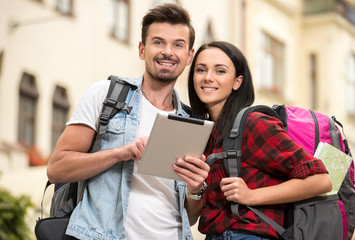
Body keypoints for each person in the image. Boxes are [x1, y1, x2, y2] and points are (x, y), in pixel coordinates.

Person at [47, 4, 209, 240]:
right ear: (142, 49)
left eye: (178, 44)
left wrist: (195, 190)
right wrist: (121, 153)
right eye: (158, 42)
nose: (168, 52)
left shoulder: (192, 122)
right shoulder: (105, 95)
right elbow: (56, 169)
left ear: (189, 56)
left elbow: (189, 217)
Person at [187, 41, 332, 240]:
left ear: (237, 82)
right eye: (201, 70)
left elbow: (321, 180)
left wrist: (251, 196)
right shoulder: (208, 135)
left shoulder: (254, 124)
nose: (208, 77)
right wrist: (195, 190)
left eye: (220, 71)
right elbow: (192, 217)